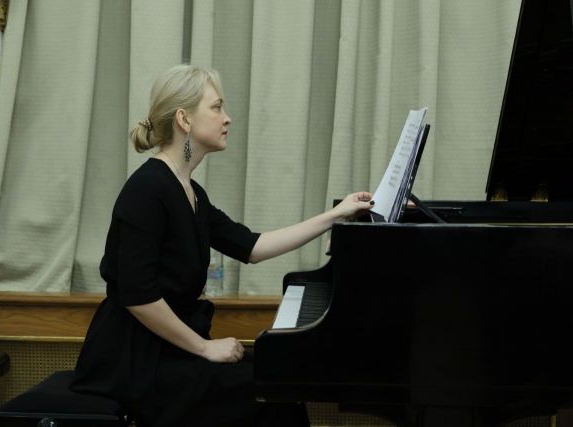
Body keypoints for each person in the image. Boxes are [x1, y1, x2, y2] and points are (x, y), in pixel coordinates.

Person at [71, 64, 374, 427]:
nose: (227, 118)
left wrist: (335, 215)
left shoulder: (191, 192)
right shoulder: (147, 189)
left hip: (167, 350)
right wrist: (204, 347)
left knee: (278, 379)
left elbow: (252, 246)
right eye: (216, 107)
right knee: (268, 394)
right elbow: (139, 297)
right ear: (184, 119)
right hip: (134, 362)